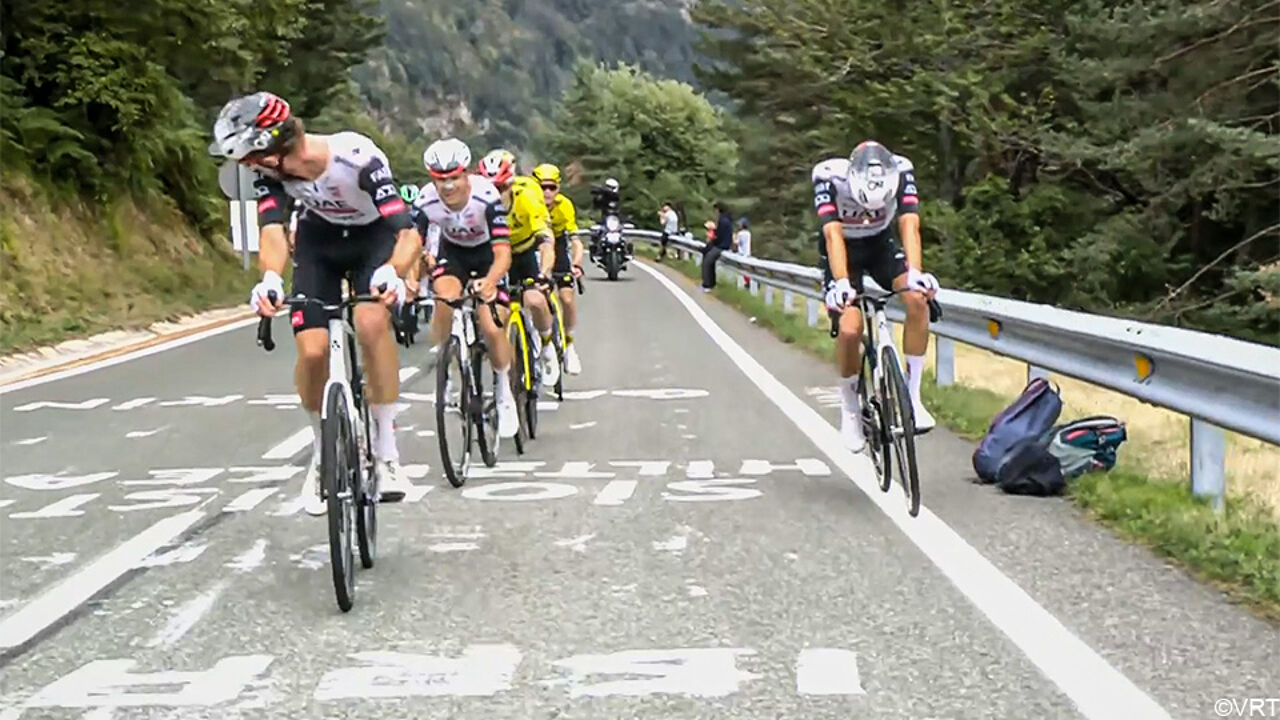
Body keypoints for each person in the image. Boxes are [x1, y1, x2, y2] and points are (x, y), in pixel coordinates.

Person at [209, 91, 417, 515]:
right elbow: (272, 229)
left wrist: (393, 270)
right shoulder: (271, 175)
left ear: (277, 147)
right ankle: (323, 456)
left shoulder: (358, 159)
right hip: (319, 244)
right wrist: (269, 276)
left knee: (372, 322)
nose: (247, 167)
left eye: (250, 157)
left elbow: (407, 231)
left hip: (372, 241)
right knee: (312, 350)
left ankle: (388, 456)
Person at [813, 139, 940, 452]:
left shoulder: (902, 169)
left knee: (917, 300)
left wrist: (915, 273)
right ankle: (850, 411)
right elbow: (832, 233)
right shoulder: (828, 176)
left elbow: (910, 224)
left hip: (880, 245)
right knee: (850, 328)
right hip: (843, 250)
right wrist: (842, 282)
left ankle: (912, 398)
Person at [413, 138, 519, 437]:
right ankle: (446, 365)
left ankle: (502, 391)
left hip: (488, 255)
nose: (447, 187)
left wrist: (490, 281)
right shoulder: (424, 200)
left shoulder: (486, 196)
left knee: (491, 323)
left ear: (466, 174)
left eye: (454, 178)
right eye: (440, 180)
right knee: (445, 299)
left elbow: (503, 253)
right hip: (454, 252)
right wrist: (409, 279)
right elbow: (411, 243)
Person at [476, 149, 561, 388]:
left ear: (510, 185)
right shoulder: (480, 203)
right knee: (497, 320)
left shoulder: (528, 198)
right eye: (489, 189)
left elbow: (546, 242)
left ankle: (546, 345)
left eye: (500, 189)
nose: (495, 195)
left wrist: (544, 274)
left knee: (534, 299)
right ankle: (506, 380)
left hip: (524, 251)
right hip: (494, 256)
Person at [533, 163, 584, 375]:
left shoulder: (565, 206)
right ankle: (537, 339)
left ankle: (569, 344)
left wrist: (577, 264)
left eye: (551, 187)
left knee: (567, 298)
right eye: (542, 187)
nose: (547, 192)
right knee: (535, 294)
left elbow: (576, 240)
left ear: (558, 188)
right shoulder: (529, 203)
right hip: (534, 245)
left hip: (558, 246)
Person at [701, 202, 733, 293]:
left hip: (722, 245)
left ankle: (707, 284)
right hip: (722, 244)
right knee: (707, 253)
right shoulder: (726, 219)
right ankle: (711, 283)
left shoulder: (723, 221)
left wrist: (713, 237)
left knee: (708, 261)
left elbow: (719, 235)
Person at [734, 216, 752, 288]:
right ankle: (748, 282)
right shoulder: (748, 233)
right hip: (747, 253)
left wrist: (734, 237)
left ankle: (746, 283)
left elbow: (736, 242)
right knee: (746, 270)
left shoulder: (740, 233)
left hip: (741, 254)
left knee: (742, 270)